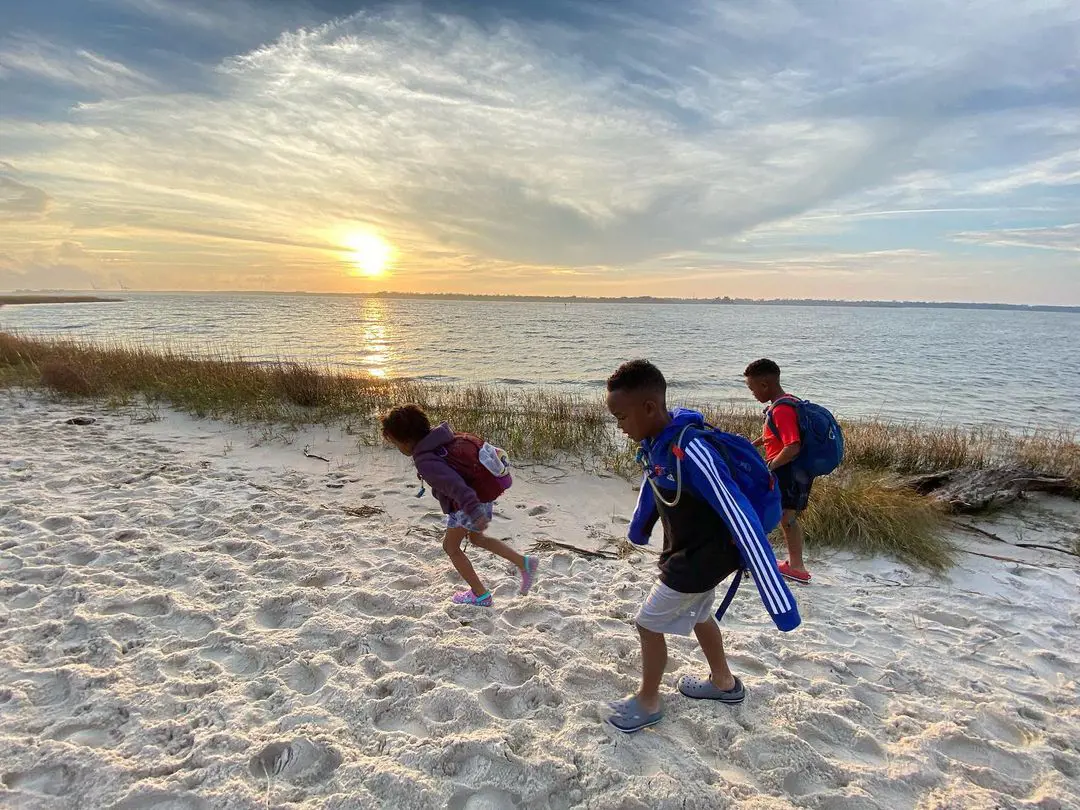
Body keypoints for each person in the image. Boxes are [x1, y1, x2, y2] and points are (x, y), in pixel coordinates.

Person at [605, 360, 799, 733]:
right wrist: (639, 529)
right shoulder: (657, 442)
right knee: (699, 615)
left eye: (621, 417)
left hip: (701, 559)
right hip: (690, 550)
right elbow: (654, 485)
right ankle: (724, 683)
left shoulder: (691, 449)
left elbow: (737, 511)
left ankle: (648, 702)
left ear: (649, 407)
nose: (620, 426)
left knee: (647, 625)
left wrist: (777, 598)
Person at [381, 404, 539, 606]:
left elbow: (457, 487)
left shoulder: (426, 460)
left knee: (451, 547)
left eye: (395, 443)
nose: (398, 447)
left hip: (467, 505)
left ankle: (480, 595)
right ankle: (524, 563)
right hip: (481, 497)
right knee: (477, 539)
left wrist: (474, 512)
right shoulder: (445, 437)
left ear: (406, 441)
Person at [743, 358, 813, 584]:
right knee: (785, 518)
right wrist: (752, 445)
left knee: (784, 517)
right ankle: (794, 565)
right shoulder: (788, 401)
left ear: (764, 384)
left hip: (787, 471)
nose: (752, 393)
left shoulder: (781, 409)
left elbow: (792, 446)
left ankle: (797, 568)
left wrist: (769, 467)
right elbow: (776, 436)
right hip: (792, 470)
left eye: (752, 388)